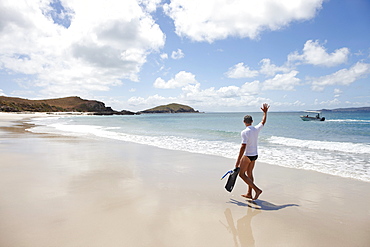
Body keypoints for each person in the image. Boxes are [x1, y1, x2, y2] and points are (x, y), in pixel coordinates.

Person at [235, 103, 269, 200]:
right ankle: (249, 193)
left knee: (241, 174)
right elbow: (263, 122)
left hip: (248, 155)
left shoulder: (244, 132)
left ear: (244, 122)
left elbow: (243, 147)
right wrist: (265, 113)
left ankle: (257, 190)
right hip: (255, 155)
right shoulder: (256, 129)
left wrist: (237, 162)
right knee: (249, 174)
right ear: (252, 121)